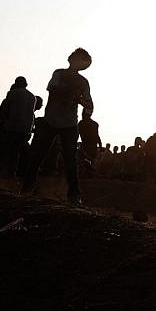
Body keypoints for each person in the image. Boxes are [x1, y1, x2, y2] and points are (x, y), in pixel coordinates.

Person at [22, 48, 94, 205]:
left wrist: (82, 104)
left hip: (69, 124)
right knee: (38, 154)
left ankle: (74, 194)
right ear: (71, 59)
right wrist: (72, 95)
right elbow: (52, 89)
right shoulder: (59, 74)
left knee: (70, 159)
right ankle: (27, 186)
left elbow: (89, 103)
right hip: (51, 120)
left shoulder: (83, 82)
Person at [0, 76, 37, 177]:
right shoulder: (32, 97)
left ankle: (0, 173)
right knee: (16, 152)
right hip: (25, 129)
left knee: (4, 150)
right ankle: (12, 173)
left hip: (11, 127)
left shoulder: (12, 94)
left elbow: (5, 110)